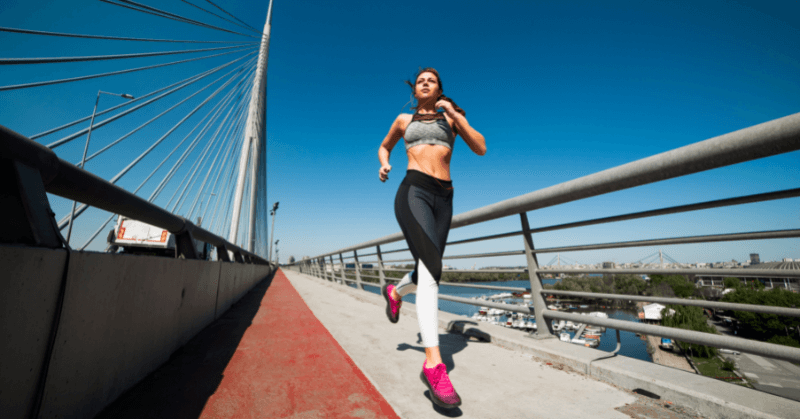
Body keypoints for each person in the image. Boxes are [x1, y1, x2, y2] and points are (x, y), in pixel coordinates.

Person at [378, 67, 486, 409]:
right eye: (421, 80)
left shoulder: (450, 119)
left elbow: (481, 147)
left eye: (432, 80)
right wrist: (385, 164)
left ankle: (395, 291)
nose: (426, 83)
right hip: (414, 191)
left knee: (430, 270)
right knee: (431, 272)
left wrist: (454, 114)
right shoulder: (402, 119)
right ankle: (434, 365)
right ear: (416, 89)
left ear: (440, 89)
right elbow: (384, 148)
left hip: (445, 198)